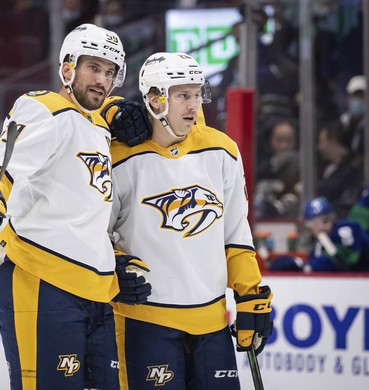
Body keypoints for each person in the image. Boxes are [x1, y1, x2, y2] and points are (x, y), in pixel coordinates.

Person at [0, 24, 143, 389]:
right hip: (42, 284)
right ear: (67, 68)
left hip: (96, 295)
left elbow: (82, 209)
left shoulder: (96, 127)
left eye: (110, 73)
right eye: (94, 67)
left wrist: (110, 261)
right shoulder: (45, 108)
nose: (102, 80)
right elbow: (5, 162)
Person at [104, 52, 272, 389]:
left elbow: (236, 232)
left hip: (211, 322)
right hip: (143, 322)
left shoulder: (222, 150)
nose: (193, 105)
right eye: (182, 95)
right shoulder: (117, 158)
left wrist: (250, 294)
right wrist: (114, 265)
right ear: (154, 98)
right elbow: (96, 234)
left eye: (197, 94)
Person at [269, 197, 369, 273]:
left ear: (332, 219)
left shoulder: (346, 229)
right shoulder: (318, 247)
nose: (321, 227)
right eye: (314, 223)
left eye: (325, 221)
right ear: (308, 227)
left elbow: (344, 262)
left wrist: (304, 265)